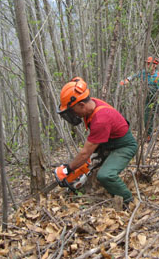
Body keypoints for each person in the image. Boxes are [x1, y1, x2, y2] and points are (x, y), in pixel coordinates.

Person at [55, 77, 138, 207]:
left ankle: (129, 201)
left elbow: (85, 153)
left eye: (72, 110)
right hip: (108, 143)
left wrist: (68, 169)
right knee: (88, 165)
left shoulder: (101, 119)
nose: (73, 114)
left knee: (105, 175)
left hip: (124, 146)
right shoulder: (92, 105)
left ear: (81, 105)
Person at [120, 56, 159, 142]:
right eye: (147, 64)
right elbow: (133, 76)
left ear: (155, 65)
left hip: (158, 99)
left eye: (150, 64)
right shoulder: (143, 73)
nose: (148, 66)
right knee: (147, 118)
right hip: (148, 98)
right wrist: (126, 80)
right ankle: (148, 136)